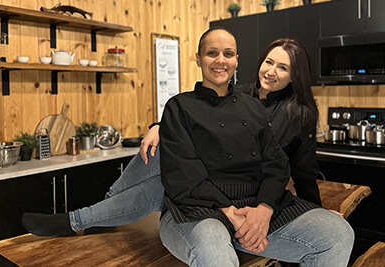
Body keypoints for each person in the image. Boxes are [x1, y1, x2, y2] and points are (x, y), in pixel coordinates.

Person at [21, 32, 334, 261]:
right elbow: (196, 114)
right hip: (206, 185)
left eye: (283, 68)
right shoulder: (238, 92)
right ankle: (105, 207)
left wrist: (311, 211)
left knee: (165, 181)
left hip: (248, 191)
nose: (271, 71)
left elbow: (302, 170)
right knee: (166, 156)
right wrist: (160, 126)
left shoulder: (299, 114)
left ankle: (88, 216)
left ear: (295, 76)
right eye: (269, 62)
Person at [157, 27, 354, 267]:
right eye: (212, 53)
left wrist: (264, 209)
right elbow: (184, 176)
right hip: (197, 209)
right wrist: (232, 215)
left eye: (228, 54)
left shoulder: (253, 107)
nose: (221, 60)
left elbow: (277, 164)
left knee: (337, 233)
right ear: (198, 58)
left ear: (236, 61)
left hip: (253, 204)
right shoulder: (179, 107)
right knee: (212, 240)